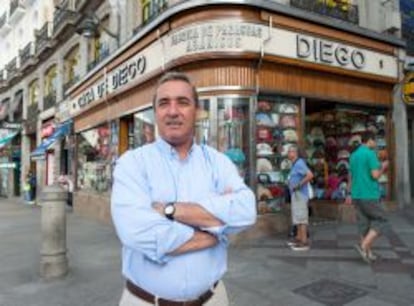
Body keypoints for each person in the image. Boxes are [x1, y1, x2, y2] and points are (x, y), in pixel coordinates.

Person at [111, 71, 257, 306]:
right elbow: (137, 232)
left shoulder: (218, 162)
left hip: (213, 299)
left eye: (183, 102)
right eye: (164, 103)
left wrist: (169, 210)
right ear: (156, 112)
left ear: (197, 111)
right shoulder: (132, 163)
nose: (172, 111)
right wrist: (212, 233)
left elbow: (246, 209)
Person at [346, 131, 390, 263]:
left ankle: (367, 253)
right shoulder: (370, 154)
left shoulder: (353, 155)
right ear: (369, 140)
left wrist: (348, 193)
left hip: (356, 195)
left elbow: (351, 177)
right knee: (381, 219)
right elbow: (375, 175)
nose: (375, 144)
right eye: (375, 141)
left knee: (364, 224)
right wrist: (383, 167)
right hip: (369, 194)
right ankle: (363, 246)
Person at [286, 145, 314, 251]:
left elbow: (310, 175)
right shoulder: (295, 164)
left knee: (301, 218)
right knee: (298, 217)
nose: (288, 154)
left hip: (300, 194)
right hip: (296, 194)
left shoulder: (299, 163)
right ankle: (299, 238)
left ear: (295, 153)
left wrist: (299, 185)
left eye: (290, 151)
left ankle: (304, 242)